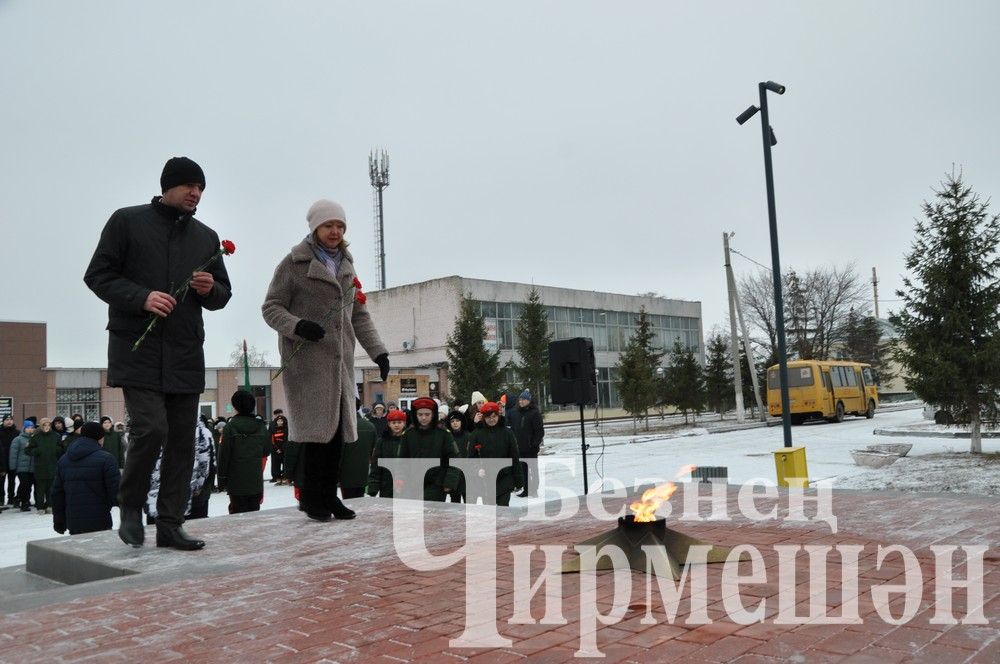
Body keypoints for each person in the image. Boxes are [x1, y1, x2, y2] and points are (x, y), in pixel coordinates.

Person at [84, 156, 231, 551]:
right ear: (167, 187)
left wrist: (208, 290)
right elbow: (97, 275)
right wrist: (142, 297)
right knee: (152, 429)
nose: (195, 193)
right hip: (138, 349)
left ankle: (170, 523)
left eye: (200, 188)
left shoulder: (206, 237)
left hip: (185, 352)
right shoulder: (127, 221)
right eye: (188, 186)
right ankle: (130, 505)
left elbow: (222, 295)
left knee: (183, 440)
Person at [262, 198, 389, 522]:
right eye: (328, 225)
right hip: (308, 363)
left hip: (340, 364)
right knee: (317, 435)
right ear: (315, 227)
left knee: (336, 436)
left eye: (340, 226)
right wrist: (298, 326)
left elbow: (359, 315)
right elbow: (271, 307)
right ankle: (312, 498)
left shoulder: (346, 265)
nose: (335, 231)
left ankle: (326, 496)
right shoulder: (293, 264)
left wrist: (379, 351)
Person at [51, 422, 121, 535]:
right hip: (100, 520)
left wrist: (59, 521)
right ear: (100, 438)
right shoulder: (107, 459)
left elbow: (57, 493)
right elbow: (116, 491)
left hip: (74, 522)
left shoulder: (64, 459)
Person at [146, 417, 214, 525]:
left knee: (157, 531)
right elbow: (207, 465)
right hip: (190, 495)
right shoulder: (201, 431)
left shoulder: (150, 429)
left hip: (157, 497)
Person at [399, 397, 461, 502]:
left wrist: (449, 482)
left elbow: (455, 458)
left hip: (437, 484)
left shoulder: (443, 433)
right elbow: (401, 460)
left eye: (427, 414)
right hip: (413, 484)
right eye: (420, 414)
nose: (423, 418)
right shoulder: (408, 434)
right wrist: (401, 479)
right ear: (415, 414)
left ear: (433, 414)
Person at [218, 391, 270, 514]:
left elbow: (224, 456)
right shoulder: (261, 426)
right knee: (253, 515)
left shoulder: (230, 427)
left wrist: (221, 480)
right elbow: (266, 450)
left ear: (235, 406)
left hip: (236, 482)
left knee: (237, 517)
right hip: (255, 480)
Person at [465, 401, 523, 506]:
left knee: (503, 509)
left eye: (494, 416)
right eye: (488, 417)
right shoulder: (476, 434)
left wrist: (519, 480)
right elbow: (471, 457)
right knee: (490, 511)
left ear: (498, 416)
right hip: (486, 480)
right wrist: (477, 469)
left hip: (504, 477)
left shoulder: (507, 433)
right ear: (483, 418)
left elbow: (514, 456)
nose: (492, 420)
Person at [366, 409, 407, 498]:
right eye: (394, 422)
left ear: (404, 423)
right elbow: (376, 464)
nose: (396, 425)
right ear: (389, 424)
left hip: (405, 484)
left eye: (399, 422)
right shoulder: (382, 441)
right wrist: (373, 486)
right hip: (387, 484)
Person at [25, 418, 61, 514]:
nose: (46, 427)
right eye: (44, 425)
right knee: (40, 489)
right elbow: (27, 450)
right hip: (40, 467)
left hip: (52, 466)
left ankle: (50, 505)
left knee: (51, 488)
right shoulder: (36, 437)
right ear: (41, 426)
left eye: (48, 425)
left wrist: (56, 449)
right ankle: (40, 507)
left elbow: (61, 447)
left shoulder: (56, 436)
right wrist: (36, 451)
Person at [513, 389, 545, 497]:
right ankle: (526, 490)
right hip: (520, 448)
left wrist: (534, 444)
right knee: (523, 470)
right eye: (520, 399)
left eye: (523, 399)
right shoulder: (517, 413)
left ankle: (534, 489)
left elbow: (539, 431)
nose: (521, 401)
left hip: (531, 448)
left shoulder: (534, 413)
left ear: (529, 401)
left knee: (533, 470)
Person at [340, 403, 375, 500]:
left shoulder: (342, 427)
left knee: (348, 502)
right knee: (359, 501)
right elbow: (374, 451)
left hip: (345, 474)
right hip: (362, 473)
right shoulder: (370, 426)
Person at [8, 421, 34, 511]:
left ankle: (22, 501)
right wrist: (13, 467)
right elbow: (13, 454)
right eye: (28, 427)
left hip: (32, 467)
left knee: (28, 485)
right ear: (24, 429)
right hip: (21, 467)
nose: (30, 429)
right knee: (24, 484)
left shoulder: (34, 439)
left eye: (31, 427)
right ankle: (22, 501)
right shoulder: (18, 439)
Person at [1, 415, 19, 505]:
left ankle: (11, 498)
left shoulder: (16, 432)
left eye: (11, 419)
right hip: (2, 461)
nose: (9, 421)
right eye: (7, 420)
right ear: (3, 421)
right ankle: (1, 499)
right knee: (1, 482)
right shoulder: (0, 432)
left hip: (13, 461)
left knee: (12, 481)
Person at [268, 413, 287, 484]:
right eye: (278, 421)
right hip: (276, 449)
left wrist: (282, 449)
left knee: (285, 463)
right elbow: (272, 439)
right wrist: (277, 449)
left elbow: (286, 439)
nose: (280, 422)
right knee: (276, 464)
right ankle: (277, 477)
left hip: (284, 449)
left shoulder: (286, 428)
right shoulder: (273, 427)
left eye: (281, 421)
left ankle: (285, 477)